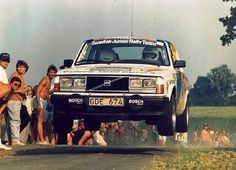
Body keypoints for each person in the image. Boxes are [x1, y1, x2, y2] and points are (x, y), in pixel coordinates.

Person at [7, 60, 30, 146]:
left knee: (12, 121)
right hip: (14, 100)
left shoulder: (18, 76)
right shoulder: (17, 76)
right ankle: (15, 141)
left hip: (13, 100)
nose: (21, 68)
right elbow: (13, 89)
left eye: (23, 67)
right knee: (15, 121)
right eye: (19, 66)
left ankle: (11, 140)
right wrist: (25, 90)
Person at [34, 65, 57, 145]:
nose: (52, 74)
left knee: (40, 121)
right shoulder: (45, 79)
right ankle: (41, 140)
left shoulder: (50, 81)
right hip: (39, 100)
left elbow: (46, 93)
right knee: (40, 121)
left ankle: (38, 139)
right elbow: (38, 91)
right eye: (51, 72)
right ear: (48, 72)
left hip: (43, 100)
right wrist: (39, 103)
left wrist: (49, 102)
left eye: (54, 73)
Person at [0, 77, 22, 150]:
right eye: (15, 84)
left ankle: (0, 143)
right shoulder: (7, 88)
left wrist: (0, 112)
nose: (17, 86)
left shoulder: (11, 91)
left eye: (18, 85)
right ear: (11, 83)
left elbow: (5, 103)